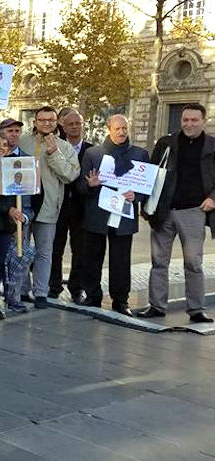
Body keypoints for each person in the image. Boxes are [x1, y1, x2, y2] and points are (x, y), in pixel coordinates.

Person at [139, 103, 215, 323]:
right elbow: (150, 175)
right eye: (185, 120)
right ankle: (156, 306)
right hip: (164, 211)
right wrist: (145, 204)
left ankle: (196, 309)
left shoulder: (212, 146)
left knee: (194, 263)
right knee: (159, 261)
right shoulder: (166, 143)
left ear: (204, 121)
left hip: (194, 211)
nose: (189, 124)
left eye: (194, 120)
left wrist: (212, 199)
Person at [75, 114, 148, 316]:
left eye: (125, 128)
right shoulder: (93, 154)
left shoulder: (140, 154)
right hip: (97, 214)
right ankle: (92, 295)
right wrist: (90, 185)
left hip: (124, 216)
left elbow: (147, 187)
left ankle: (121, 301)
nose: (122, 132)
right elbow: (80, 186)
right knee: (91, 257)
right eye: (117, 128)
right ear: (109, 129)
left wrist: (137, 195)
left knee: (121, 260)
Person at [17, 106, 80, 309]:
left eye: (50, 120)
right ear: (35, 122)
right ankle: (22, 289)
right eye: (42, 120)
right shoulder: (23, 141)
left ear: (57, 122)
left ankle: (41, 292)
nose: (46, 123)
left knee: (45, 252)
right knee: (22, 249)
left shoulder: (65, 147)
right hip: (23, 205)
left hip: (48, 206)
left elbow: (70, 175)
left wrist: (54, 153)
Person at [0, 134, 30, 317]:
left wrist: (16, 213)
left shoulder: (13, 168)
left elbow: (17, 194)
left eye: (5, 144)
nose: (1, 147)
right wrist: (6, 209)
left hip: (5, 226)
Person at [49, 107, 94, 302]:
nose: (75, 127)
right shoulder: (55, 147)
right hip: (58, 207)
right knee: (54, 248)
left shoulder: (92, 151)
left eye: (78, 123)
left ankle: (77, 287)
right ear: (63, 127)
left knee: (80, 249)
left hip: (82, 208)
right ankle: (53, 285)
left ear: (83, 126)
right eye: (71, 124)